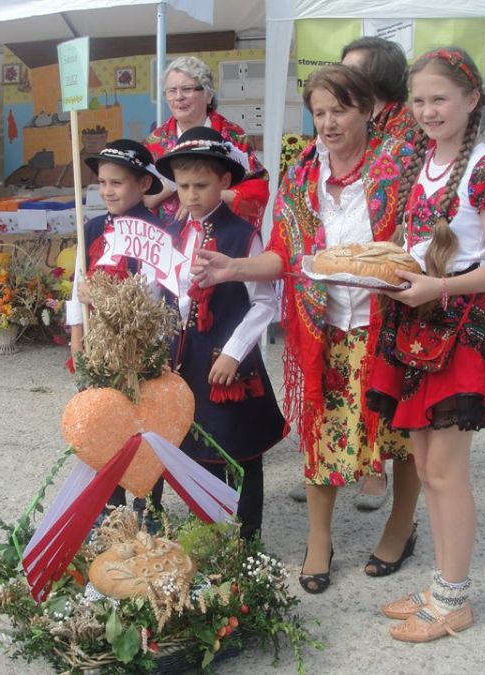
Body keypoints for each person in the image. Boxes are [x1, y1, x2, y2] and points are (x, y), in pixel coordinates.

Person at [192, 65, 416, 592]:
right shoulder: (301, 175)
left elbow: (436, 230)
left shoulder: (400, 167)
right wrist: (232, 268)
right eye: (320, 112)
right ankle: (320, 539)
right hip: (325, 330)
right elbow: (284, 255)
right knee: (321, 435)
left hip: (391, 326)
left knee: (401, 436)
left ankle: (401, 525)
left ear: (367, 110)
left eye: (340, 110)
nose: (329, 122)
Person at [366, 47, 485, 642]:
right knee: (427, 466)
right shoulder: (420, 164)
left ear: (471, 100)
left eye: (440, 98)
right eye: (420, 99)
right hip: (415, 325)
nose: (428, 110)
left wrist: (440, 285)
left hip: (460, 331)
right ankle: (439, 584)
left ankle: (454, 599)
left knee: (449, 472)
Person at [153, 126, 286, 540]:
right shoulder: (173, 232)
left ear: (225, 182)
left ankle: (247, 537)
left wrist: (233, 352)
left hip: (229, 358)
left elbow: (266, 301)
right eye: (184, 186)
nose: (190, 196)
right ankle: (208, 530)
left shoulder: (242, 234)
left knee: (239, 444)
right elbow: (164, 287)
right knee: (196, 444)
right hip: (185, 357)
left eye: (201, 185)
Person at [63, 139, 168, 513]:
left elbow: (151, 298)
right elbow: (77, 289)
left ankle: (147, 509)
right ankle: (111, 510)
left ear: (142, 185)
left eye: (117, 183)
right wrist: (77, 340)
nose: (107, 190)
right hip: (98, 348)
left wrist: (103, 299)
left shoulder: (155, 233)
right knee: (103, 428)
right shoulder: (91, 228)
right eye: (102, 182)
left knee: (141, 430)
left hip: (137, 349)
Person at [144, 56, 269, 227]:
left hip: (223, 233)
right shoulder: (155, 141)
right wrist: (170, 186)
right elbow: (142, 195)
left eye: (187, 89)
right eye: (171, 91)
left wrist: (215, 197)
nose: (178, 97)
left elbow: (258, 187)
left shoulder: (231, 136)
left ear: (209, 95)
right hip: (167, 239)